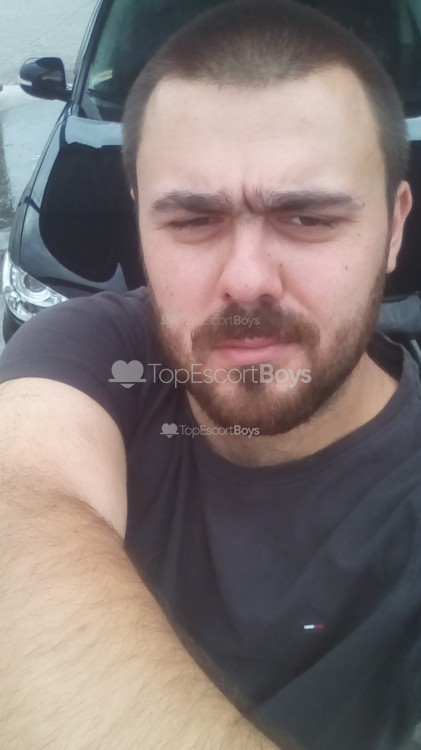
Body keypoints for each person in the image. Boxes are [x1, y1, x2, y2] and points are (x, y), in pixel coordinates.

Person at [0, 1, 419, 748]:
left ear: (393, 227)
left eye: (308, 218)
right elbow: (18, 503)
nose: (247, 280)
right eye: (193, 221)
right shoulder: (94, 350)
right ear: (140, 222)